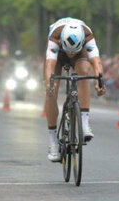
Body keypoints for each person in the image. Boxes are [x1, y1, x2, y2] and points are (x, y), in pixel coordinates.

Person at [43, 18, 106, 162]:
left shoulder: (87, 35)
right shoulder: (55, 36)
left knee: (84, 73)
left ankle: (84, 123)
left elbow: (97, 63)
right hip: (59, 54)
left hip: (80, 53)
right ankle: (53, 140)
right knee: (51, 91)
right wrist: (49, 84)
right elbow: (49, 66)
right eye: (69, 53)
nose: (70, 55)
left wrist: (99, 81)